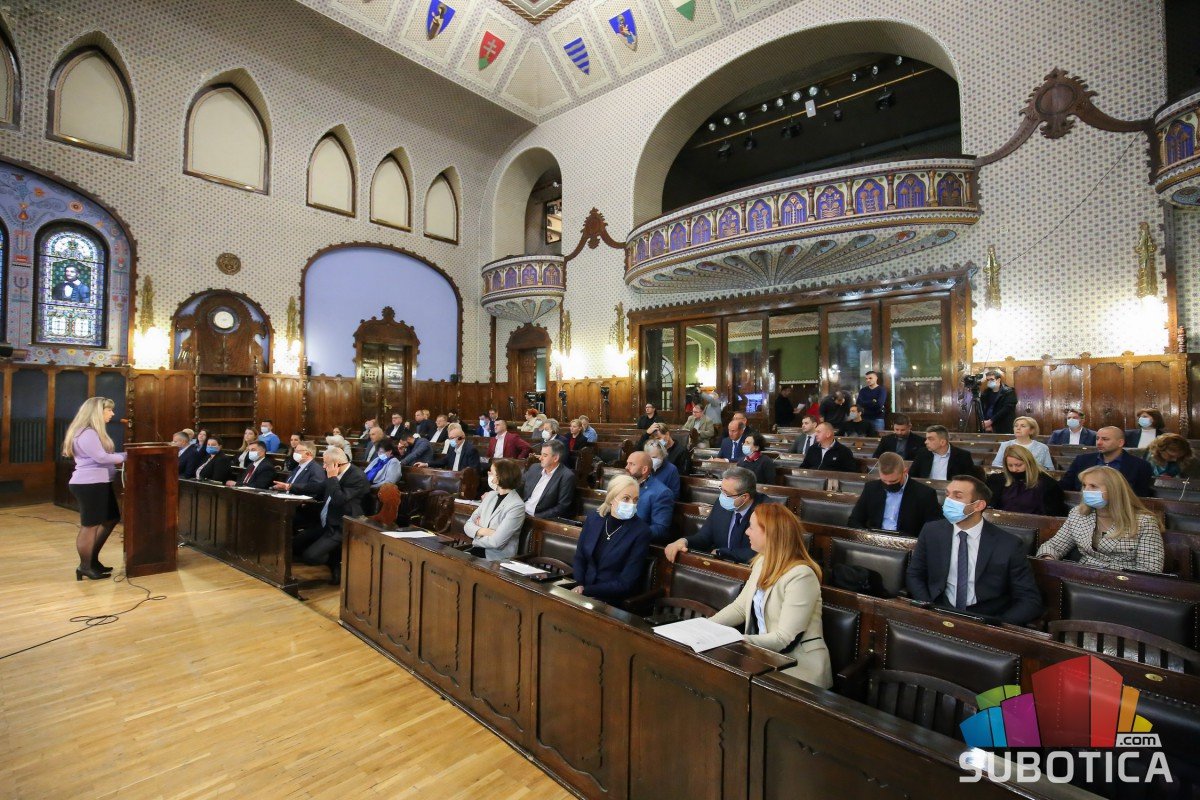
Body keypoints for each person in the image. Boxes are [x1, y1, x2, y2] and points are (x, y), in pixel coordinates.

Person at [710, 504, 832, 688]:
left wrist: (736, 641)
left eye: (751, 527)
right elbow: (739, 608)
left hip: (799, 669)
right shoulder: (762, 561)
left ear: (770, 534)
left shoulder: (801, 575)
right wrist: (706, 626)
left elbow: (784, 637)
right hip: (763, 658)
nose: (746, 532)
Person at [905, 475, 1044, 624]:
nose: (948, 501)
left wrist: (998, 626)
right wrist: (927, 609)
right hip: (939, 610)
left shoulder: (1009, 544)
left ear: (978, 505)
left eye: (957, 496)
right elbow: (915, 574)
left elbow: (1029, 599)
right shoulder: (931, 531)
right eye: (947, 494)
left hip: (986, 618)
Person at [1037, 466, 1165, 572]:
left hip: (1123, 584)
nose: (1086, 491)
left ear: (1114, 490)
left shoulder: (1144, 522)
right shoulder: (1078, 514)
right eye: (1084, 485)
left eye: (1093, 486)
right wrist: (1048, 559)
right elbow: (1055, 545)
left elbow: (1150, 569)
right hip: (1082, 578)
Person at [64, 397, 126, 580]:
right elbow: (101, 458)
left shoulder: (90, 432)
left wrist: (122, 455)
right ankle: (85, 566)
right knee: (90, 525)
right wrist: (127, 456)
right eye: (109, 410)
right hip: (89, 484)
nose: (112, 413)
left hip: (98, 482)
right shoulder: (88, 432)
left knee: (111, 519)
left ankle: (92, 561)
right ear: (97, 412)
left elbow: (103, 456)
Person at [571, 474, 652, 604]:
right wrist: (579, 584)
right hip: (581, 591)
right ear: (611, 498)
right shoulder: (594, 519)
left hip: (611, 599)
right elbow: (580, 557)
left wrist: (586, 590)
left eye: (635, 500)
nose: (632, 504)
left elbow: (626, 582)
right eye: (626, 498)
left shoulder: (641, 531)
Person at [293, 447, 369, 584]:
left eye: (325, 464)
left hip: (341, 524)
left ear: (336, 464)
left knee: (311, 557)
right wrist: (290, 486)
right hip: (325, 521)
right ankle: (332, 556)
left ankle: (336, 562)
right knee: (296, 542)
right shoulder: (333, 473)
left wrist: (333, 477)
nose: (323, 467)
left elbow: (339, 499)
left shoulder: (357, 476)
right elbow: (319, 487)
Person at [664, 467, 767, 564]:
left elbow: (763, 551)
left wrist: (722, 552)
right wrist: (684, 541)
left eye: (726, 492)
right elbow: (704, 537)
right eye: (721, 489)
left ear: (745, 497)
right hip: (719, 566)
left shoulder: (767, 512)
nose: (722, 496)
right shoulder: (721, 504)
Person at [847, 452, 940, 535]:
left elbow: (933, 529)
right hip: (875, 540)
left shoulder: (925, 494)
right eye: (884, 480)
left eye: (893, 481)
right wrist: (866, 536)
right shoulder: (871, 488)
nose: (888, 484)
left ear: (905, 472)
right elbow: (854, 520)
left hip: (908, 543)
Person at [1059, 427, 1153, 497]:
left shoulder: (1140, 466)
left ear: (1120, 443)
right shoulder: (1082, 460)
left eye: (1105, 439)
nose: (1099, 443)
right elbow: (1065, 485)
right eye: (1097, 438)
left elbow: (1141, 496)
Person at [464, 459, 526, 560]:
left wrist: (475, 536)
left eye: (492, 473)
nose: (489, 474)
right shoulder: (490, 496)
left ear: (500, 476)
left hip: (496, 558)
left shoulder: (517, 506)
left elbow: (496, 542)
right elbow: (467, 525)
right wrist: (484, 531)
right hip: (477, 551)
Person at [986, 444, 1067, 516]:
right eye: (1010, 465)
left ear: (1029, 463)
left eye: (1018, 465)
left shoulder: (1047, 484)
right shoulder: (997, 480)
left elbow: (1055, 514)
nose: (1014, 469)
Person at [623, 451, 673, 542]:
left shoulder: (662, 493)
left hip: (637, 542)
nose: (626, 467)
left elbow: (660, 529)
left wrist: (632, 533)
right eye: (627, 463)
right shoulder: (623, 484)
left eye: (632, 464)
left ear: (644, 470)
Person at [521, 439, 576, 519]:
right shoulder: (534, 468)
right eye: (541, 454)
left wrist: (537, 518)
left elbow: (562, 506)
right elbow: (519, 485)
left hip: (539, 518)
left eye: (545, 455)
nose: (540, 458)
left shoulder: (566, 476)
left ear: (555, 458)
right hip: (520, 511)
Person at [910, 425, 983, 481]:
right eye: (926, 438)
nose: (925, 442)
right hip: (927, 491)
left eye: (930, 439)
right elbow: (912, 476)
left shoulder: (963, 456)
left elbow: (968, 481)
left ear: (942, 442)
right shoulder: (922, 453)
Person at [978, 368, 1017, 434]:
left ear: (998, 380)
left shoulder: (1009, 392)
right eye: (988, 380)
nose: (989, 381)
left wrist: (991, 421)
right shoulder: (986, 392)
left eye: (992, 379)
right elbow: (982, 408)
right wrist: (985, 422)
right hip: (987, 425)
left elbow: (1007, 409)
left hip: (1003, 426)